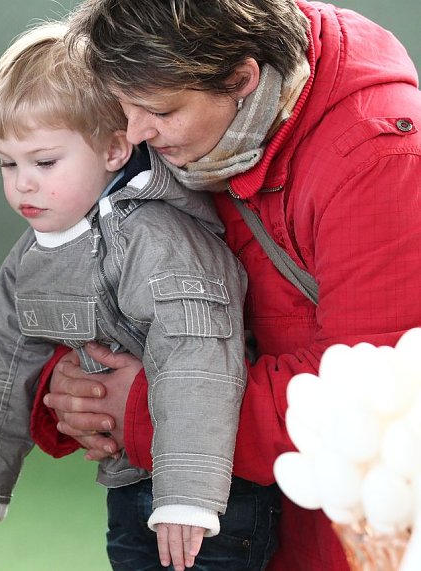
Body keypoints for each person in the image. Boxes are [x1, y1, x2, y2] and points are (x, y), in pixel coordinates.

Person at [35, 1, 421, 570]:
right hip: (221, 501)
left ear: (244, 79)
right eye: (124, 105)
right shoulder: (178, 106)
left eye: (159, 110)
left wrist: (145, 413)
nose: (135, 130)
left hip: (342, 528)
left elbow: (367, 395)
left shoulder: (380, 155)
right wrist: (79, 388)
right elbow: (92, 264)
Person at [0, 22, 272, 571]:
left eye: (44, 162)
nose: (22, 182)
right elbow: (1, 366)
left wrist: (188, 496)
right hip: (128, 483)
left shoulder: (157, 238)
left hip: (218, 495)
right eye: (7, 161)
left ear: (116, 148)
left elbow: (199, 360)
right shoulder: (31, 255)